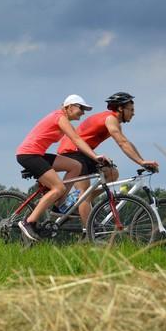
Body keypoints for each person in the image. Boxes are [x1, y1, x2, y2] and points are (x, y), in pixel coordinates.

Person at [16, 94, 111, 241]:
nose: (83, 112)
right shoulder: (59, 117)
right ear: (69, 107)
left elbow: (76, 140)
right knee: (58, 188)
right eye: (81, 108)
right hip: (29, 155)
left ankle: (59, 205)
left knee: (76, 166)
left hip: (37, 154)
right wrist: (95, 157)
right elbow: (76, 139)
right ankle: (28, 222)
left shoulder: (63, 120)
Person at [56, 91, 160, 226]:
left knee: (112, 173)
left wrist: (142, 161)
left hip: (83, 152)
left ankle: (78, 204)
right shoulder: (110, 119)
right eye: (131, 110)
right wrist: (141, 162)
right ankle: (90, 231)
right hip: (72, 151)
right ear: (121, 108)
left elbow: (126, 142)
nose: (133, 113)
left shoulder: (113, 121)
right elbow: (122, 143)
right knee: (84, 193)